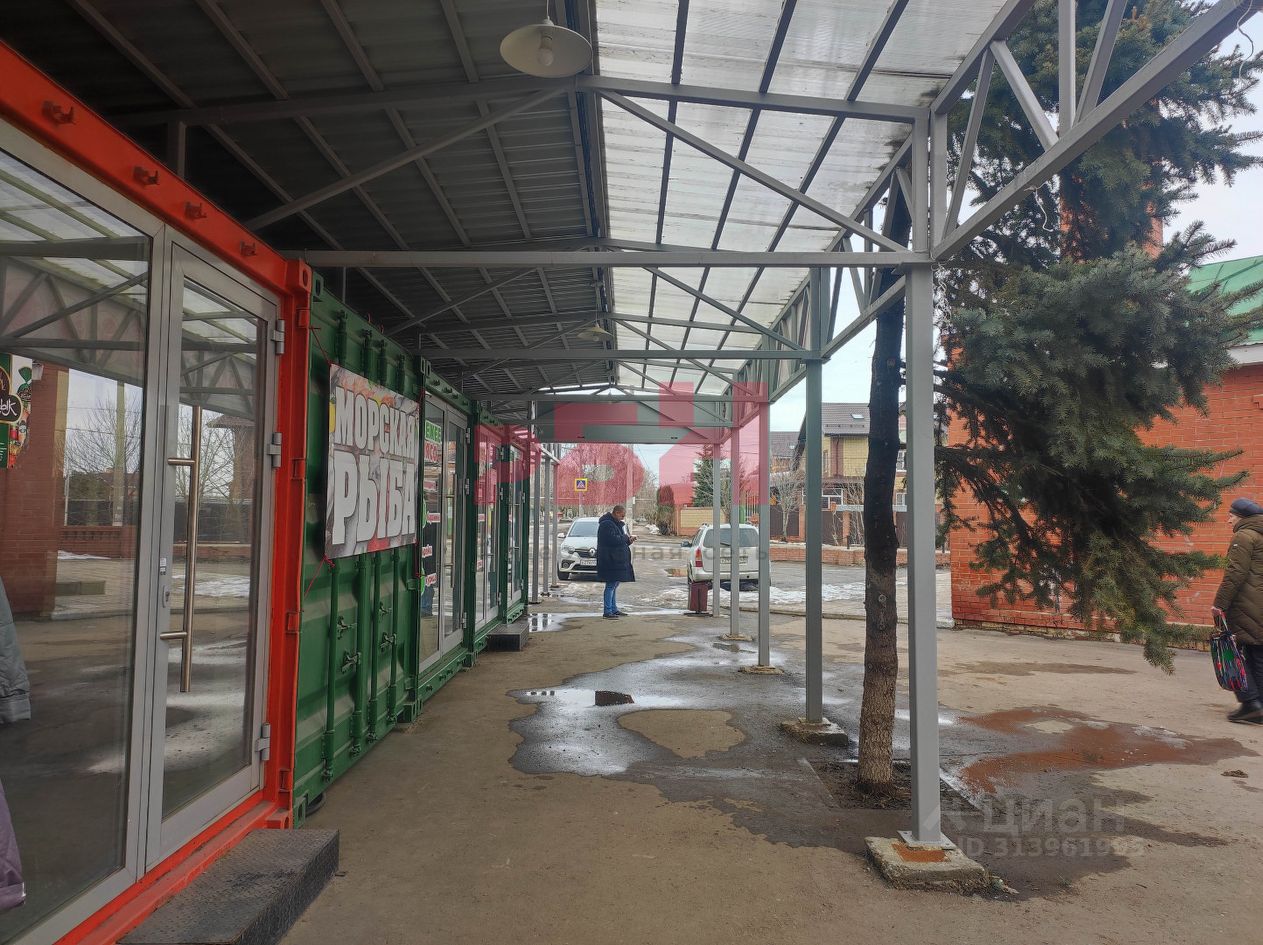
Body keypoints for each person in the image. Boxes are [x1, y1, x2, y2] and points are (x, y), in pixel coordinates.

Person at [1213, 497, 1263, 724]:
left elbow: (1235, 573)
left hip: (1247, 605)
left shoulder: (1244, 536)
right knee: (1257, 654)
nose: (1228, 519)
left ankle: (1251, 703)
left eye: (1231, 515)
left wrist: (1219, 604)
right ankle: (1258, 707)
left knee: (1235, 653)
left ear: (1242, 517)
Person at [597, 504, 636, 619]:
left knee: (614, 584)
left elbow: (618, 541)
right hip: (610, 560)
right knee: (611, 585)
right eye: (622, 515)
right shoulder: (607, 524)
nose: (623, 518)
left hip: (615, 560)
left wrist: (628, 541)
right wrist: (625, 537)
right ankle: (607, 611)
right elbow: (613, 540)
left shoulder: (614, 524)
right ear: (617, 513)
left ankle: (613, 609)